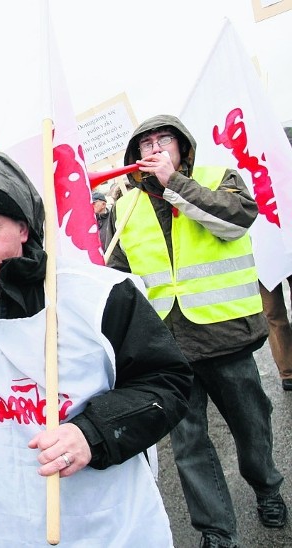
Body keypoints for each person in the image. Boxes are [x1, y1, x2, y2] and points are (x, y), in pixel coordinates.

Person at [0, 149, 192, 546]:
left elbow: (167, 383)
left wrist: (93, 432)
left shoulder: (99, 294)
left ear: (24, 228)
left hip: (105, 526)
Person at [106, 114, 287, 547]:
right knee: (188, 446)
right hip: (166, 349)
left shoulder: (218, 177)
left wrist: (175, 185)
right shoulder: (125, 206)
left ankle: (267, 489)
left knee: (252, 428)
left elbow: (236, 220)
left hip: (226, 337)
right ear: (133, 158)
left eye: (162, 139)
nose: (153, 149)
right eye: (144, 144)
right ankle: (216, 530)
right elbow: (119, 275)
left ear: (182, 147)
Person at [259, 125, 292, 391]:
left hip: (288, 239)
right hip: (261, 249)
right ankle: (288, 371)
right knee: (273, 313)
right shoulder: (240, 166)